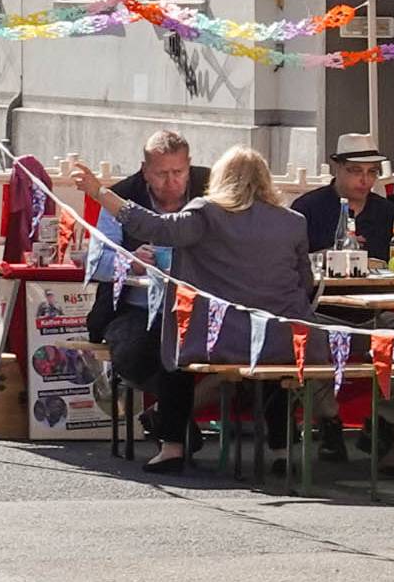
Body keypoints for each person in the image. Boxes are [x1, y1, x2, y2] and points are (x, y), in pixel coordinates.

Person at [69, 146, 314, 474]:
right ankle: (284, 450)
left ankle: (172, 446)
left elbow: (153, 227)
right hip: (282, 337)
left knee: (176, 337)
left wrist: (100, 193)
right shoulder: (294, 222)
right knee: (276, 354)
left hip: (220, 336)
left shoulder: (206, 214)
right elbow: (306, 280)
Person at [82, 131, 207, 474]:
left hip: (201, 308)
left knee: (234, 352)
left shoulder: (210, 190)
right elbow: (96, 263)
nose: (172, 182)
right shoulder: (121, 197)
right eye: (162, 174)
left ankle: (168, 424)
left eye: (179, 172)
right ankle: (175, 429)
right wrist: (130, 261)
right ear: (144, 170)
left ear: (189, 166)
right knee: (141, 351)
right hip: (132, 307)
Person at [292, 133, 394, 263]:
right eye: (356, 170)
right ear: (337, 167)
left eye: (372, 172)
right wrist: (331, 255)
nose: (364, 180)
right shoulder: (307, 209)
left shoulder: (387, 211)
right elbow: (290, 261)